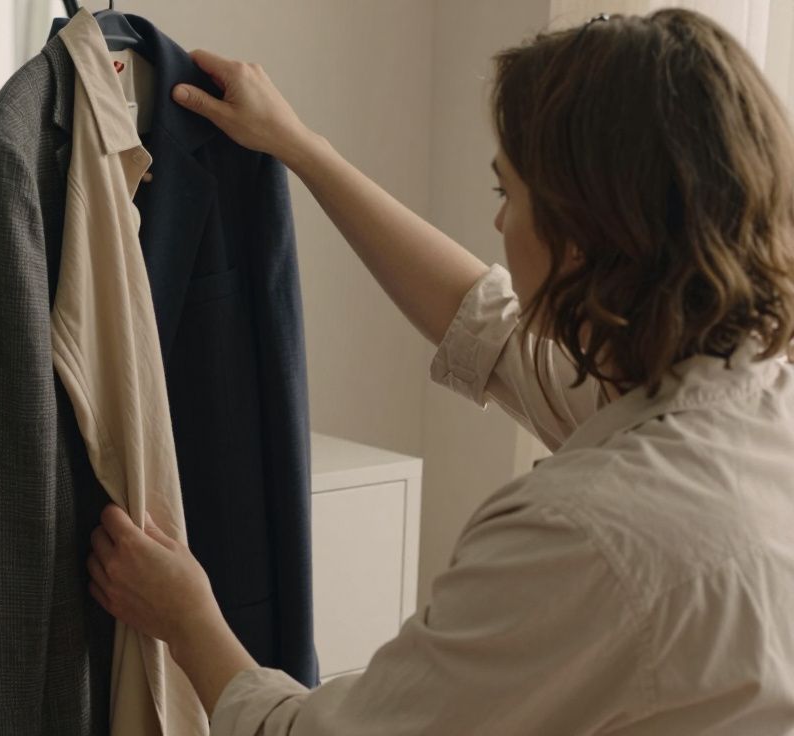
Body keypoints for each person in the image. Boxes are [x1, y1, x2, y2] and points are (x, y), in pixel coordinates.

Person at [87, 9, 794, 734]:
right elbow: (485, 324)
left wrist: (188, 619)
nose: (497, 227)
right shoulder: (752, 408)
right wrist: (302, 149)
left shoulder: (582, 534)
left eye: (506, 196)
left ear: (578, 239)